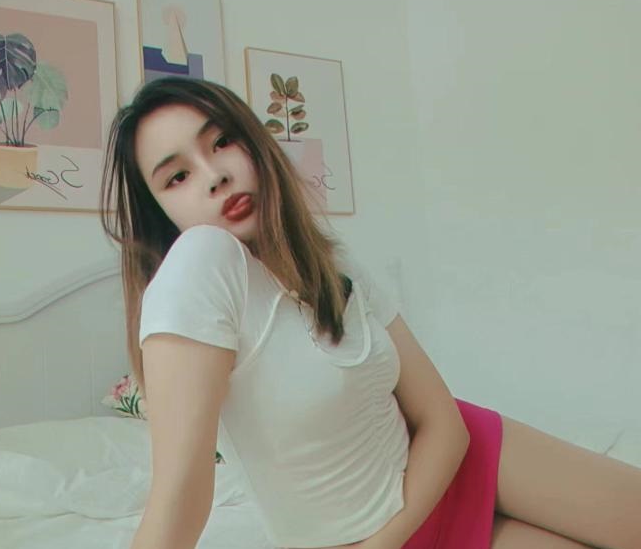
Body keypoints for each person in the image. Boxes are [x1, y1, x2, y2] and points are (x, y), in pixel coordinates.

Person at [99, 76, 641, 549]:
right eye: (177, 177)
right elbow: (180, 494)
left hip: (448, 466)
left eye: (222, 141)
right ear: (160, 211)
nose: (214, 174)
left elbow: (443, 422)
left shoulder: (330, 261)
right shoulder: (201, 264)